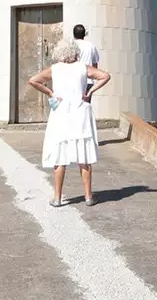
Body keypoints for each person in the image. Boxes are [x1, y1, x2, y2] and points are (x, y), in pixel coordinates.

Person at [27, 40, 111, 207]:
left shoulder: (55, 69)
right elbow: (105, 76)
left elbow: (33, 80)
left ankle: (57, 197)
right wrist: (89, 91)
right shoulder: (82, 67)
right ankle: (88, 196)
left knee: (60, 157)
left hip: (61, 114)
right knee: (84, 157)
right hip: (80, 113)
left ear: (59, 53)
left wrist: (50, 93)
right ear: (75, 53)